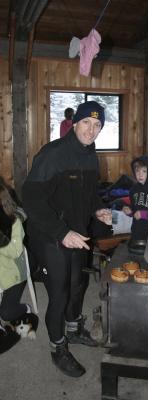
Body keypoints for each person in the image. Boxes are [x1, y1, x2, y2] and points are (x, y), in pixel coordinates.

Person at [22, 101, 112, 377]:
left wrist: (98, 208)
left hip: (77, 233)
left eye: (97, 125)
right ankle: (57, 348)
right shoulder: (53, 154)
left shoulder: (90, 154)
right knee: (59, 294)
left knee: (78, 283)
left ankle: (73, 330)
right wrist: (62, 233)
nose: (91, 130)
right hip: (50, 235)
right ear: (75, 123)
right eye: (87, 122)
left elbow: (89, 193)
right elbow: (31, 200)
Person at [0, 178, 38, 353]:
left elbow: (15, 251)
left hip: (13, 274)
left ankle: (26, 309)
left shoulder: (13, 222)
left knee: (7, 313)